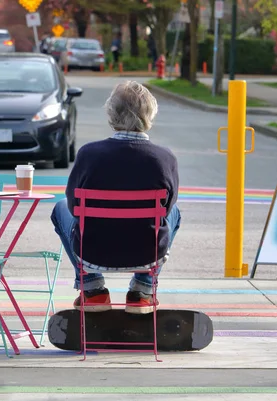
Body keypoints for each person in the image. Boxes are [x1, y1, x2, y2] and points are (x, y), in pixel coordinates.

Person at [50, 81, 181, 314]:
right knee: (174, 213)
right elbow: (168, 208)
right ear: (150, 114)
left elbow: (73, 206)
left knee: (60, 207)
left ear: (111, 113)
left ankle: (93, 289)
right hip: (147, 253)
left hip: (92, 251)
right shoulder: (165, 158)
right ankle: (143, 290)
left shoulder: (88, 154)